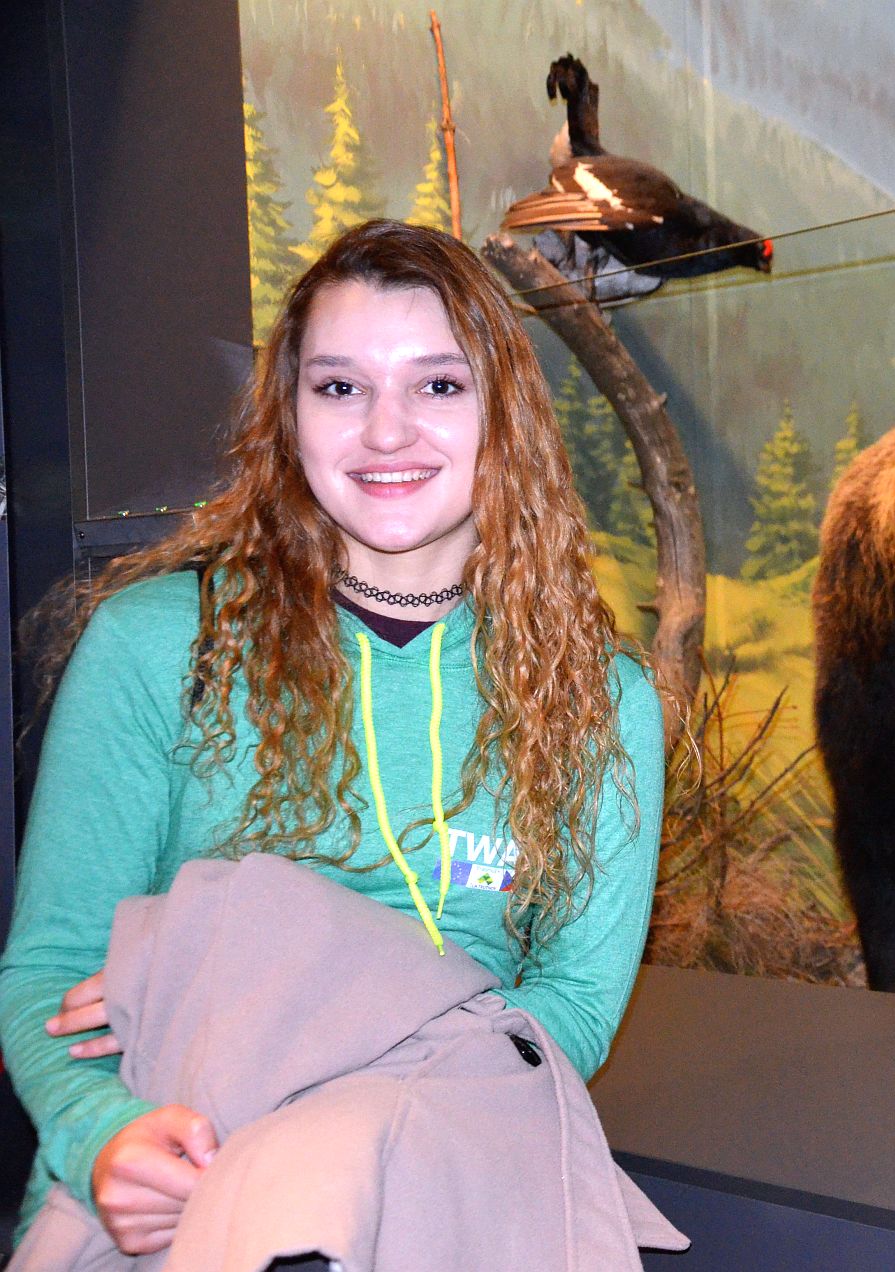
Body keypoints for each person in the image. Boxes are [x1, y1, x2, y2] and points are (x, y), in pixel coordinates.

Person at [0, 218, 665, 1256]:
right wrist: (100, 1136)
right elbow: (50, 967)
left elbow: (574, 1002)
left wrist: (370, 1123)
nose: (386, 432)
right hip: (183, 1167)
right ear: (289, 417)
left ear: (504, 415)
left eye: (438, 385)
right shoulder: (161, 646)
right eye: (341, 387)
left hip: (451, 1165)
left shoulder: (598, 696)